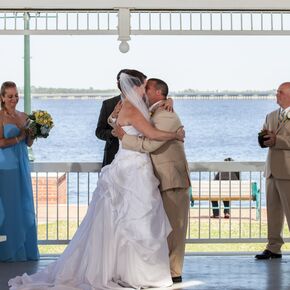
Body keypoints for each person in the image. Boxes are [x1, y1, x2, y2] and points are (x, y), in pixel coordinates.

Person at [9, 70, 185, 289]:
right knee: (131, 220)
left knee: (125, 221)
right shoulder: (129, 105)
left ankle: (120, 268)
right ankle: (134, 272)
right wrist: (175, 135)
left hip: (130, 165)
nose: (146, 88)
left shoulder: (131, 104)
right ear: (136, 86)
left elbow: (141, 115)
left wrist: (168, 100)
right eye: (144, 85)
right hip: (131, 166)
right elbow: (150, 132)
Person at [112, 78, 190, 283]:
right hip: (152, 177)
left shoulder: (166, 114)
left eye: (146, 87)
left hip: (171, 178)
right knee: (155, 227)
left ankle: (174, 272)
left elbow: (150, 143)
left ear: (156, 92)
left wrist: (124, 138)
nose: (143, 90)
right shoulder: (148, 111)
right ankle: (153, 268)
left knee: (175, 227)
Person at [0, 81, 39, 262]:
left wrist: (33, 133)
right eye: (10, 96)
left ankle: (25, 250)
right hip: (5, 168)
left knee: (24, 206)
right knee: (8, 209)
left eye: (16, 95)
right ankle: (8, 251)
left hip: (22, 165)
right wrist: (20, 136)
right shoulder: (0, 117)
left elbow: (28, 143)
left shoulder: (24, 116)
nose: (14, 99)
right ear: (2, 98)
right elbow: (0, 142)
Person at [255, 82, 290, 260]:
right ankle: (274, 247)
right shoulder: (270, 115)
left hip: (288, 172)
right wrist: (263, 140)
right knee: (273, 212)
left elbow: (281, 140)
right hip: (271, 172)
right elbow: (265, 137)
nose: (277, 95)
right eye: (277, 92)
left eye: (281, 92)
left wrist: (278, 140)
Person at [95, 69, 125, 167]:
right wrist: (112, 133)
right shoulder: (108, 104)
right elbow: (99, 132)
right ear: (118, 83)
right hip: (112, 156)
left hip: (135, 155)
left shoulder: (141, 104)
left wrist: (169, 100)